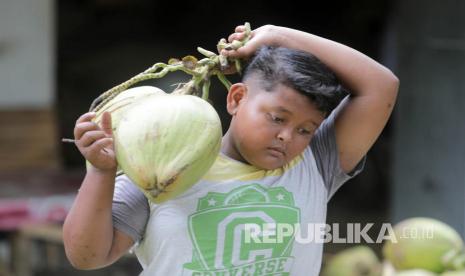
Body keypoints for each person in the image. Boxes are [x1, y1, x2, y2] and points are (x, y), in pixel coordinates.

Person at [63, 24, 399, 275]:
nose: (287, 136)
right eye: (277, 118)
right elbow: (88, 256)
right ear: (237, 98)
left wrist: (275, 36)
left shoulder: (316, 162)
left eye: (305, 129)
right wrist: (100, 171)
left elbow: (381, 85)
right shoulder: (164, 165)